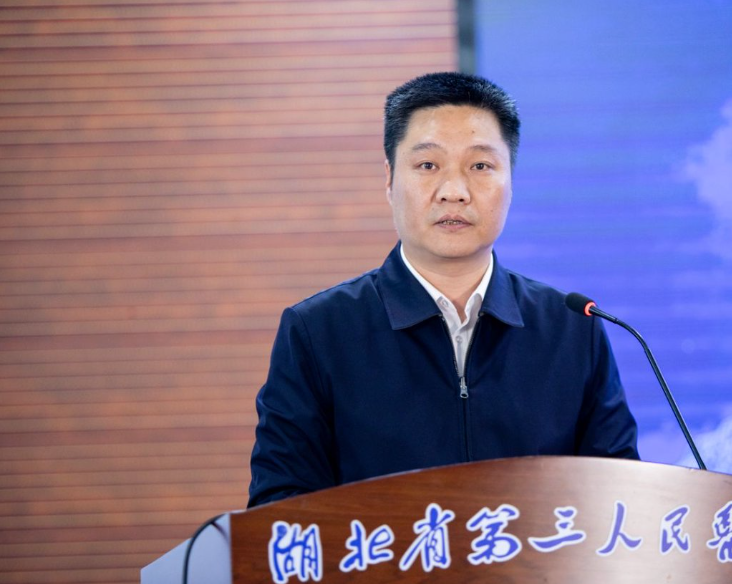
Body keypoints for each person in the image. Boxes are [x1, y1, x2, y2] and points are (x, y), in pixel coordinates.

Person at [248, 72, 638, 507]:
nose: (454, 192)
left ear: (512, 181)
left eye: (480, 166)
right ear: (389, 180)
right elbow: (279, 509)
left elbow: (620, 497)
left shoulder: (572, 328)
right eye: (428, 166)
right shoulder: (318, 331)